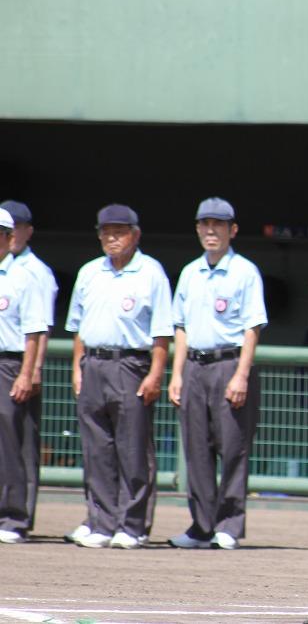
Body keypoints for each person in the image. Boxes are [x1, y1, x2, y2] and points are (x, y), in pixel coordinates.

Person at [65, 204, 173, 549]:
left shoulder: (151, 272)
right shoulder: (89, 272)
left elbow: (162, 332)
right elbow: (77, 327)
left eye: (119, 232)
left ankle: (133, 525)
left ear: (135, 235)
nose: (112, 238)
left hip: (130, 364)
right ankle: (102, 522)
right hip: (93, 363)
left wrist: (155, 374)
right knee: (97, 449)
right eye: (106, 232)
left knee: (133, 448)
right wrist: (77, 368)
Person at [168, 197, 266, 550]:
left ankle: (229, 525)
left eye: (218, 225)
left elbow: (252, 328)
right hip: (194, 365)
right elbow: (180, 326)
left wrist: (241, 375)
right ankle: (201, 525)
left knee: (233, 447)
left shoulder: (245, 271)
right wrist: (176, 374)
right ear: (198, 229)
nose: (211, 231)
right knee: (196, 449)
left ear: (232, 230)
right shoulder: (189, 272)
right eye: (205, 224)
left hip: (229, 363)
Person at [0, 200, 58, 534]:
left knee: (15, 442)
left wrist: (30, 371)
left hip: (12, 362)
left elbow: (38, 328)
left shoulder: (31, 273)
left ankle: (15, 516)